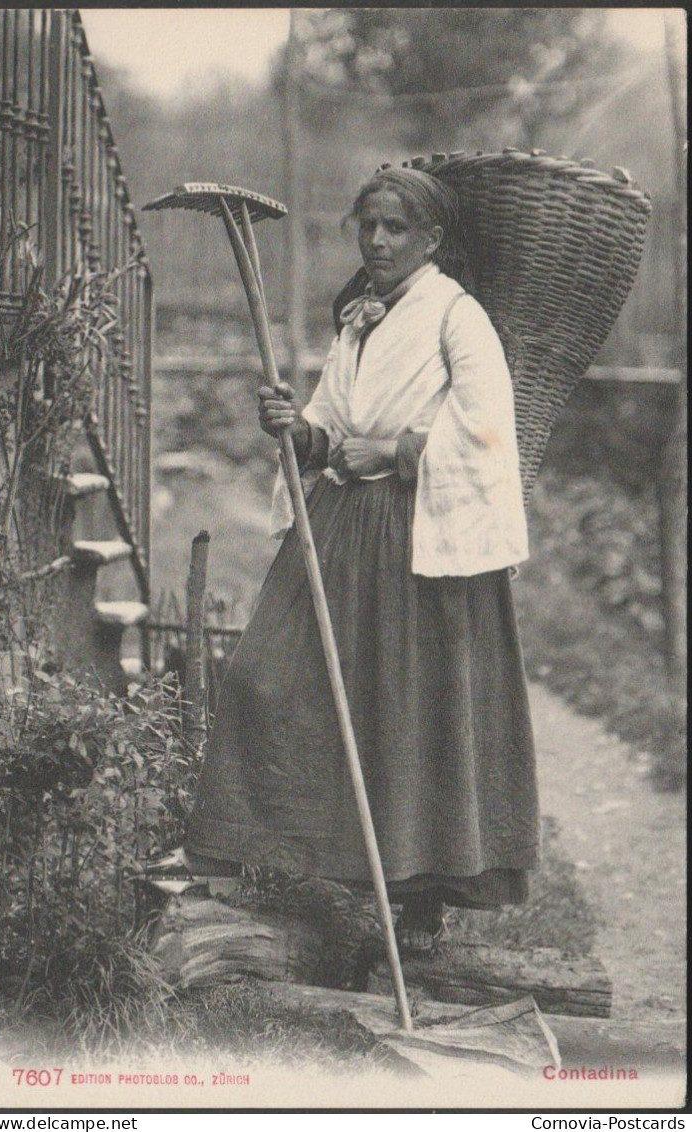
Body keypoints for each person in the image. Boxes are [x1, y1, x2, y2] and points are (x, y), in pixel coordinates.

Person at [184, 167, 539, 955]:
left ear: (432, 240)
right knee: (266, 675)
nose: (377, 241)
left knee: (409, 706)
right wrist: (294, 427)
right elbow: (325, 424)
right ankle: (258, 858)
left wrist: (402, 449)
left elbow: (486, 430)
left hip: (420, 532)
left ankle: (415, 894)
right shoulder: (359, 318)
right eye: (367, 226)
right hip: (343, 521)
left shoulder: (458, 316)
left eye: (395, 229)